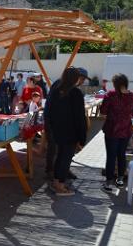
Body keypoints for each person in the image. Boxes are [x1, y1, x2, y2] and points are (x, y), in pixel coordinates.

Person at [47, 67, 87, 196]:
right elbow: (80, 118)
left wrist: (51, 128)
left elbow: (49, 111)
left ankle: (56, 182)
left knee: (60, 156)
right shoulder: (75, 92)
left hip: (58, 131)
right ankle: (60, 185)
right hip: (70, 132)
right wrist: (82, 138)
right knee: (65, 158)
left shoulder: (56, 90)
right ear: (75, 78)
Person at [100, 73, 133, 192]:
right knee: (121, 155)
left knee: (111, 156)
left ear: (115, 84)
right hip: (126, 129)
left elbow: (103, 111)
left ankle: (108, 183)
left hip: (112, 130)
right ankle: (120, 180)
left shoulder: (110, 95)